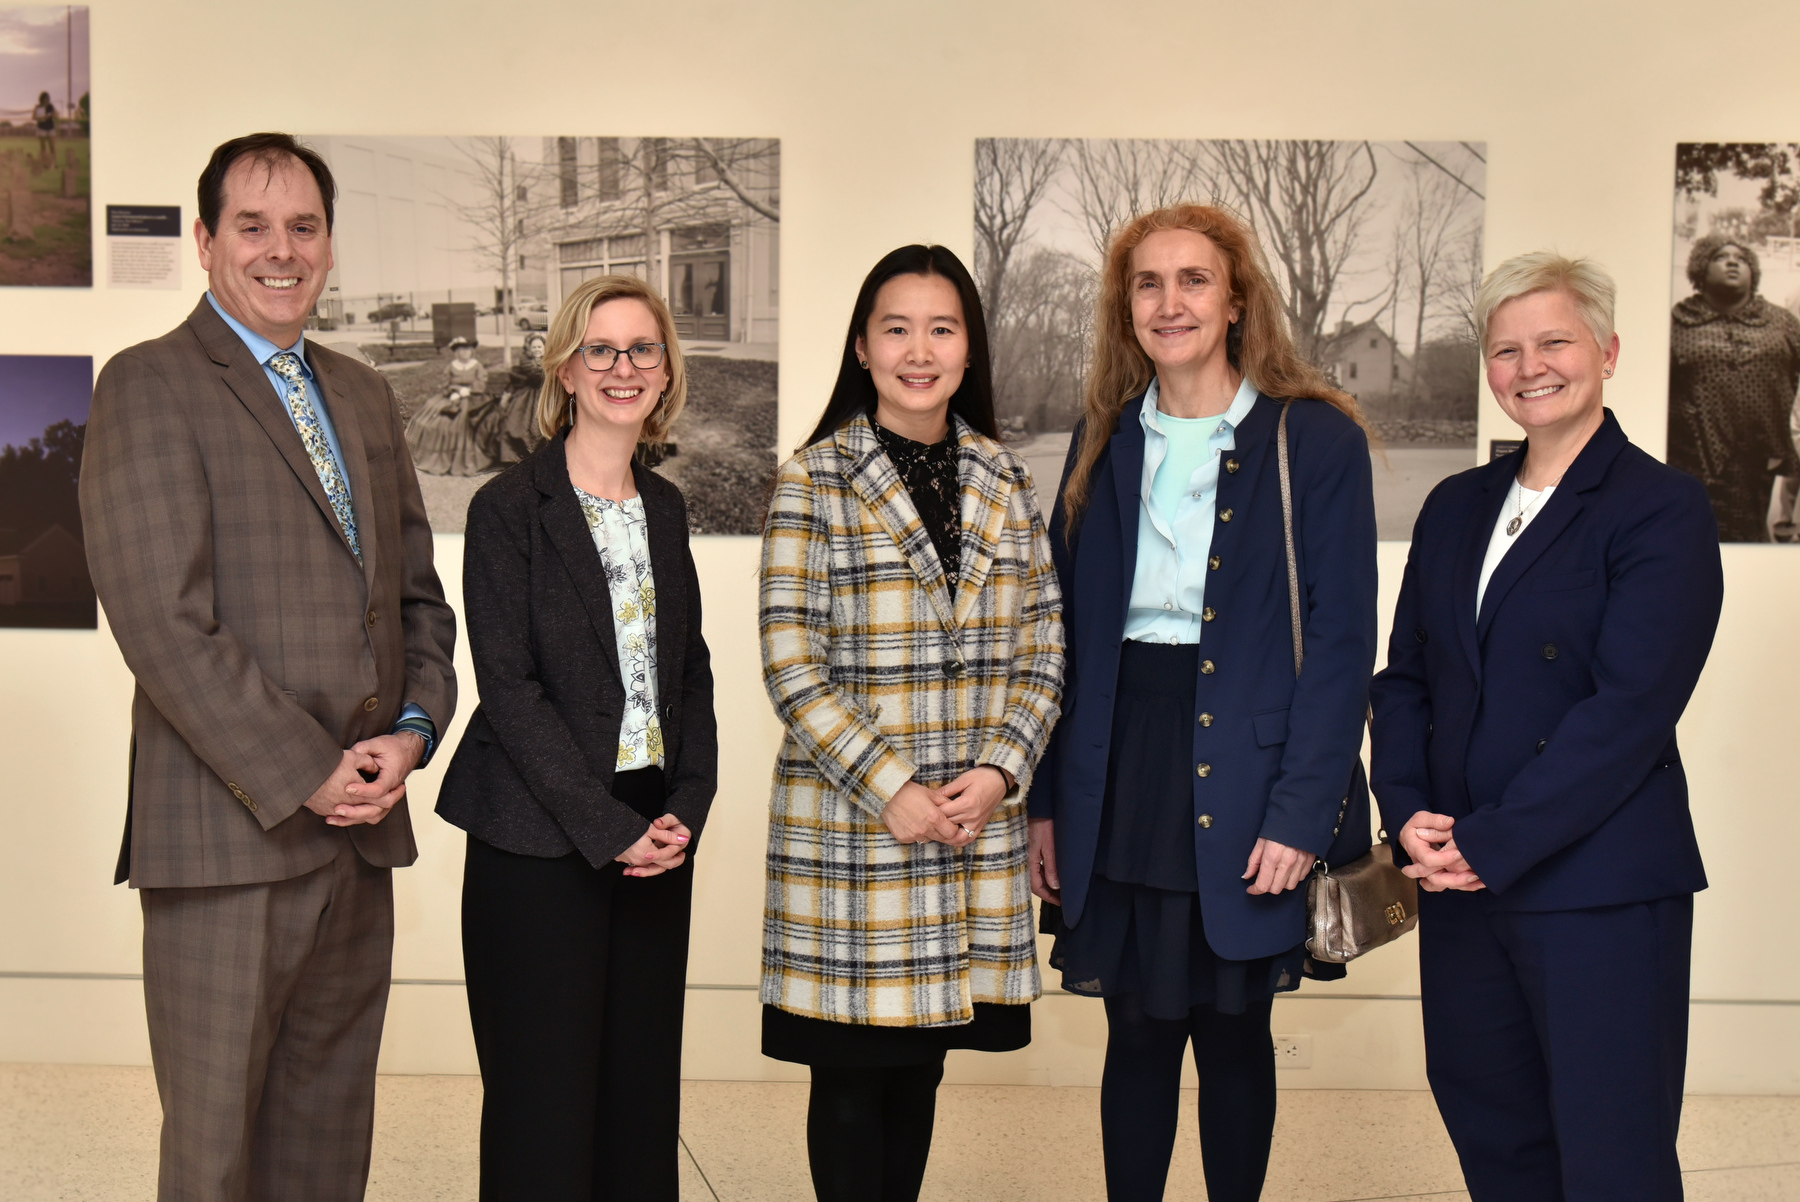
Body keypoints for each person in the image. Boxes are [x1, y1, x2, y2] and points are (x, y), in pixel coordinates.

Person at [79, 133, 457, 1201]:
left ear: (330, 244)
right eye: (252, 225)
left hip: (361, 832)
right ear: (205, 241)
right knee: (214, 1152)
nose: (280, 249)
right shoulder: (149, 385)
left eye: (304, 226)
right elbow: (161, 618)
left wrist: (411, 732)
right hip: (228, 837)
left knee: (328, 1140)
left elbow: (417, 597)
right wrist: (309, 767)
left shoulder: (366, 393)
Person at [1034, 204, 1377, 1202]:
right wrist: (1048, 800)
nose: (1170, 301)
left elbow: (1343, 643)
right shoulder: (1102, 437)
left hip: (1253, 766)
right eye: (1148, 282)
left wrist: (1301, 812)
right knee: (1135, 1024)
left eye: (1193, 279)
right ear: (1125, 305)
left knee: (1234, 1027)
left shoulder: (1314, 437)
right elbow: (1059, 638)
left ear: (1235, 298)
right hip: (1121, 757)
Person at [1370, 252, 1723, 1201]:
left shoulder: (1662, 507)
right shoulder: (1455, 508)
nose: (1530, 367)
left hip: (1596, 887)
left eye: (1554, 342)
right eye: (1506, 349)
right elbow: (1404, 681)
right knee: (1495, 1132)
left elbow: (1630, 710)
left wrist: (1493, 839)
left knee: (1614, 1154)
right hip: (1455, 879)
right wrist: (1407, 812)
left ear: (1606, 351)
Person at [758, 244, 1063, 1202]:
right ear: (861, 345)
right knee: (851, 1075)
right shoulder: (815, 477)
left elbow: (1046, 644)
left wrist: (1001, 773)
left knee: (923, 1063)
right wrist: (891, 788)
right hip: (854, 830)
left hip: (969, 823)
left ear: (968, 351)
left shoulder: (1004, 478)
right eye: (896, 328)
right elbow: (790, 659)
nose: (918, 350)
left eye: (942, 328)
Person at [436, 273, 717, 1200]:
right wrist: (608, 828)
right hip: (539, 836)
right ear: (565, 367)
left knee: (639, 1102)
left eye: (643, 349)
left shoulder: (665, 509)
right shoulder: (508, 510)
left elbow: (688, 674)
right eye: (601, 349)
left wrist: (684, 807)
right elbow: (509, 692)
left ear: (666, 368)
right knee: (542, 1106)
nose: (623, 367)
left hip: (652, 833)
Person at [1667, 234, 1800, 541]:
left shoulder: (1782, 324)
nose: (1731, 262)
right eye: (1720, 257)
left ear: (1753, 272)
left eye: (1741, 259)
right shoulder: (1677, 323)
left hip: (1760, 459)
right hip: (1692, 459)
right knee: (1694, 540)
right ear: (1700, 270)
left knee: (1750, 537)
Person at [406, 337, 494, 476]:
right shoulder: (452, 366)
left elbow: (481, 383)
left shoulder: (477, 366)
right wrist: (454, 391)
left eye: (467, 350)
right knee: (432, 421)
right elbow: (444, 383)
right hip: (452, 396)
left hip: (473, 397)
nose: (465, 353)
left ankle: (461, 458)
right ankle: (431, 455)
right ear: (456, 352)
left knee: (461, 420)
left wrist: (469, 390)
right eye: (461, 350)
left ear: (472, 351)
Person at [32, 91, 55, 165]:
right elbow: (33, 117)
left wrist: (42, 117)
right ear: (42, 99)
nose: (47, 100)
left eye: (48, 98)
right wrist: (40, 117)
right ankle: (44, 162)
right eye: (45, 98)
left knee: (52, 146)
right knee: (43, 147)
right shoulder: (37, 107)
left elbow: (51, 115)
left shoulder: (50, 106)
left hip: (50, 127)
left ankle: (52, 163)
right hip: (41, 128)